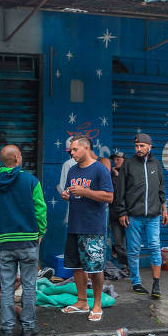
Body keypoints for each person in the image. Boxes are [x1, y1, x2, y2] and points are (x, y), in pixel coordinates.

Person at [0, 144, 47, 336]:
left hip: (6, 243)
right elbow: (40, 210)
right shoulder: (31, 181)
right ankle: (29, 327)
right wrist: (40, 232)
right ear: (18, 158)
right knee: (28, 286)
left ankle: (7, 328)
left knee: (7, 287)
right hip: (28, 241)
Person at [59, 136, 114, 322]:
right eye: (71, 151)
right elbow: (69, 191)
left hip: (93, 227)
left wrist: (86, 192)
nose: (72, 153)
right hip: (74, 225)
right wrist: (66, 194)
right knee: (77, 266)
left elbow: (109, 197)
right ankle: (82, 302)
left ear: (85, 147)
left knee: (95, 268)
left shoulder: (100, 169)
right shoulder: (72, 170)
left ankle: (96, 305)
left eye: (74, 150)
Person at [113, 133, 168, 299]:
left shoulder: (156, 164)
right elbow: (120, 191)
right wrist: (122, 212)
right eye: (136, 146)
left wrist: (164, 209)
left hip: (153, 216)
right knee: (133, 250)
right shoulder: (128, 164)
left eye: (142, 146)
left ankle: (156, 283)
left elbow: (161, 189)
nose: (139, 149)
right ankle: (136, 282)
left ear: (149, 147)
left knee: (154, 247)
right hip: (133, 216)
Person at [109, 151, 128, 265]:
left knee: (131, 242)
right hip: (114, 214)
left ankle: (132, 267)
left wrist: (118, 176)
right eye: (114, 160)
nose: (115, 162)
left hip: (128, 214)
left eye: (118, 160)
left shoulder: (129, 174)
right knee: (118, 243)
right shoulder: (110, 174)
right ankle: (126, 265)